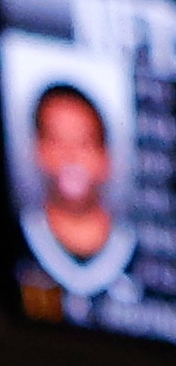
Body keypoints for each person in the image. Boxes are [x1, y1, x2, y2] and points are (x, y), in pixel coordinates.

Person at [23, 83, 135, 297]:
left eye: (85, 142)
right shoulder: (12, 241)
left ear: (106, 158)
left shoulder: (146, 253)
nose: (71, 156)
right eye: (57, 141)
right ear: (39, 150)